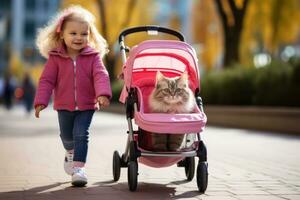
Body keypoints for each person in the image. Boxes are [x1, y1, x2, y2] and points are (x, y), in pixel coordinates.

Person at [34, 5, 112, 187]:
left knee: (81, 134)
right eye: (73, 33)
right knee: (66, 136)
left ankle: (79, 169)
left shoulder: (93, 57)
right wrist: (41, 101)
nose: (79, 37)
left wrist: (102, 94)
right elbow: (46, 80)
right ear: (62, 34)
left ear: (89, 35)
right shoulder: (55, 58)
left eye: (84, 34)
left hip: (87, 105)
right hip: (63, 105)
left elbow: (101, 75)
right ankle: (70, 152)